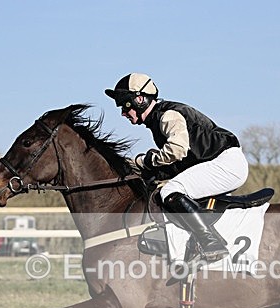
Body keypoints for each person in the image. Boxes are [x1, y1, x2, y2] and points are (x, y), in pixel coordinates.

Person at [105, 72, 249, 263]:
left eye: (125, 104)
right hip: (219, 162)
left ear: (140, 100)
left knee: (171, 190)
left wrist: (147, 162)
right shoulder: (158, 120)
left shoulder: (167, 116)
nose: (123, 112)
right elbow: (178, 162)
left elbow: (177, 150)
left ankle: (211, 243)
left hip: (226, 163)